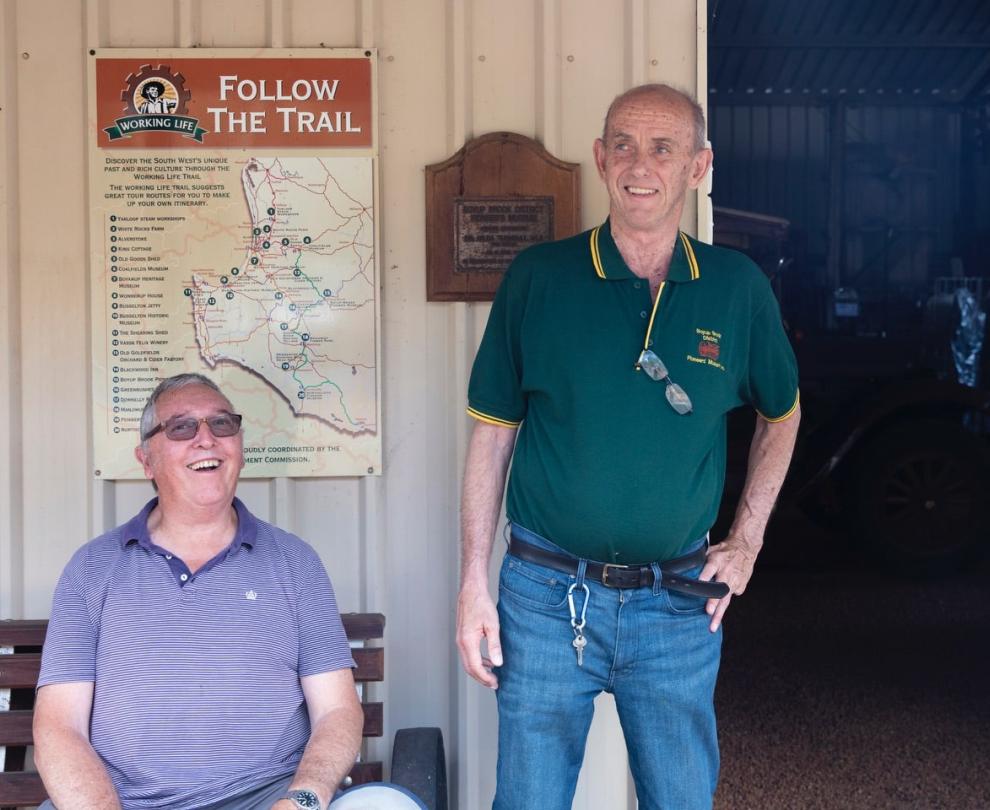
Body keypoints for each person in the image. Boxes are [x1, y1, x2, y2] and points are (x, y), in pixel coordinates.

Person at [456, 84, 801, 810]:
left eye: (662, 148)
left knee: (679, 799)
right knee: (528, 801)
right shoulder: (539, 278)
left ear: (698, 166)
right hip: (546, 597)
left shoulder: (736, 288)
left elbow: (783, 413)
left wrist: (747, 542)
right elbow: (492, 435)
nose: (638, 164)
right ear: (599, 158)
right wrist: (472, 582)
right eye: (622, 144)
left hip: (678, 602)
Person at [34, 374, 363, 810]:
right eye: (181, 427)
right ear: (146, 460)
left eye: (222, 424)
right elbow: (59, 725)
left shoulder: (295, 563)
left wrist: (301, 800)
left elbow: (337, 711)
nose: (206, 439)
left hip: (266, 800)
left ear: (239, 448)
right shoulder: (92, 569)